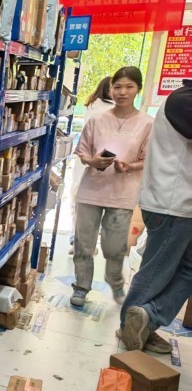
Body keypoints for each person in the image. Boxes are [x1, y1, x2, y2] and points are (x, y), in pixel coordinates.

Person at [118, 80, 192, 353]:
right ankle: (131, 326)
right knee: (157, 271)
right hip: (172, 203)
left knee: (186, 270)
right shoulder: (184, 100)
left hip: (179, 203)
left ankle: (146, 319)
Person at [70, 67, 153, 308]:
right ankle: (81, 287)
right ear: (110, 89)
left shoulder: (147, 124)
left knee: (114, 247)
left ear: (138, 89)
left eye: (129, 87)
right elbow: (82, 152)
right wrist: (93, 161)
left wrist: (130, 166)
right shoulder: (97, 120)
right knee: (83, 244)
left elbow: (149, 158)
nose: (122, 92)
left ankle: (116, 284)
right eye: (117, 87)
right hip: (91, 191)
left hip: (123, 194)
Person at [69, 77, 115, 255]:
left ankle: (78, 241)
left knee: (79, 202)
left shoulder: (91, 105)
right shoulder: (110, 109)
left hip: (86, 159)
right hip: (101, 160)